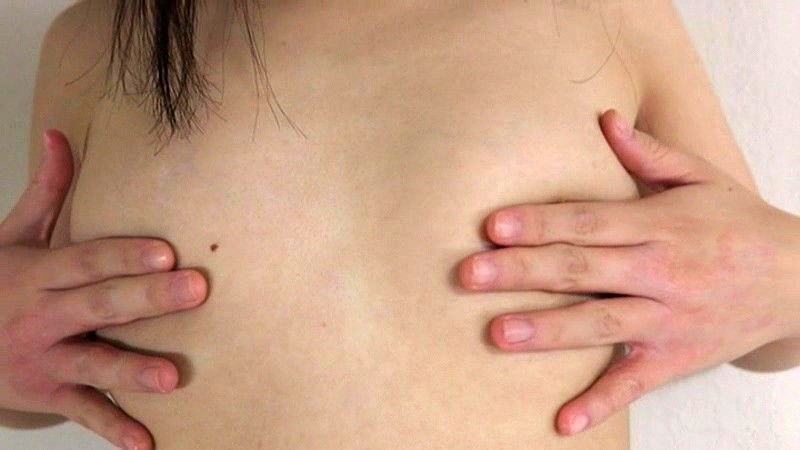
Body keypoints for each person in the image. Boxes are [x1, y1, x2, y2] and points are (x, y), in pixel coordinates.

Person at [1, 1, 798, 449]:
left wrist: (787, 272)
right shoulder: (93, 43)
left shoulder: (608, 12)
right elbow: (44, 377)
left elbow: (768, 335)